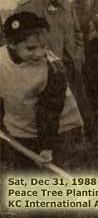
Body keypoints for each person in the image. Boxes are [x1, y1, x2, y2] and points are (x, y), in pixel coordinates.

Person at [0, 11, 83, 171]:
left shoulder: (53, 69)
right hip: (18, 125)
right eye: (31, 48)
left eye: (44, 46)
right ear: (11, 44)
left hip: (56, 128)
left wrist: (47, 147)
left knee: (53, 172)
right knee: (25, 170)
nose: (40, 53)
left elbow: (50, 111)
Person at [15, 0, 92, 132]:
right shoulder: (27, 7)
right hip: (46, 68)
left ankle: (83, 137)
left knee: (79, 105)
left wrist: (78, 55)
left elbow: (77, 32)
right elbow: (17, 43)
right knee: (51, 110)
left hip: (71, 64)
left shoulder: (65, 2)